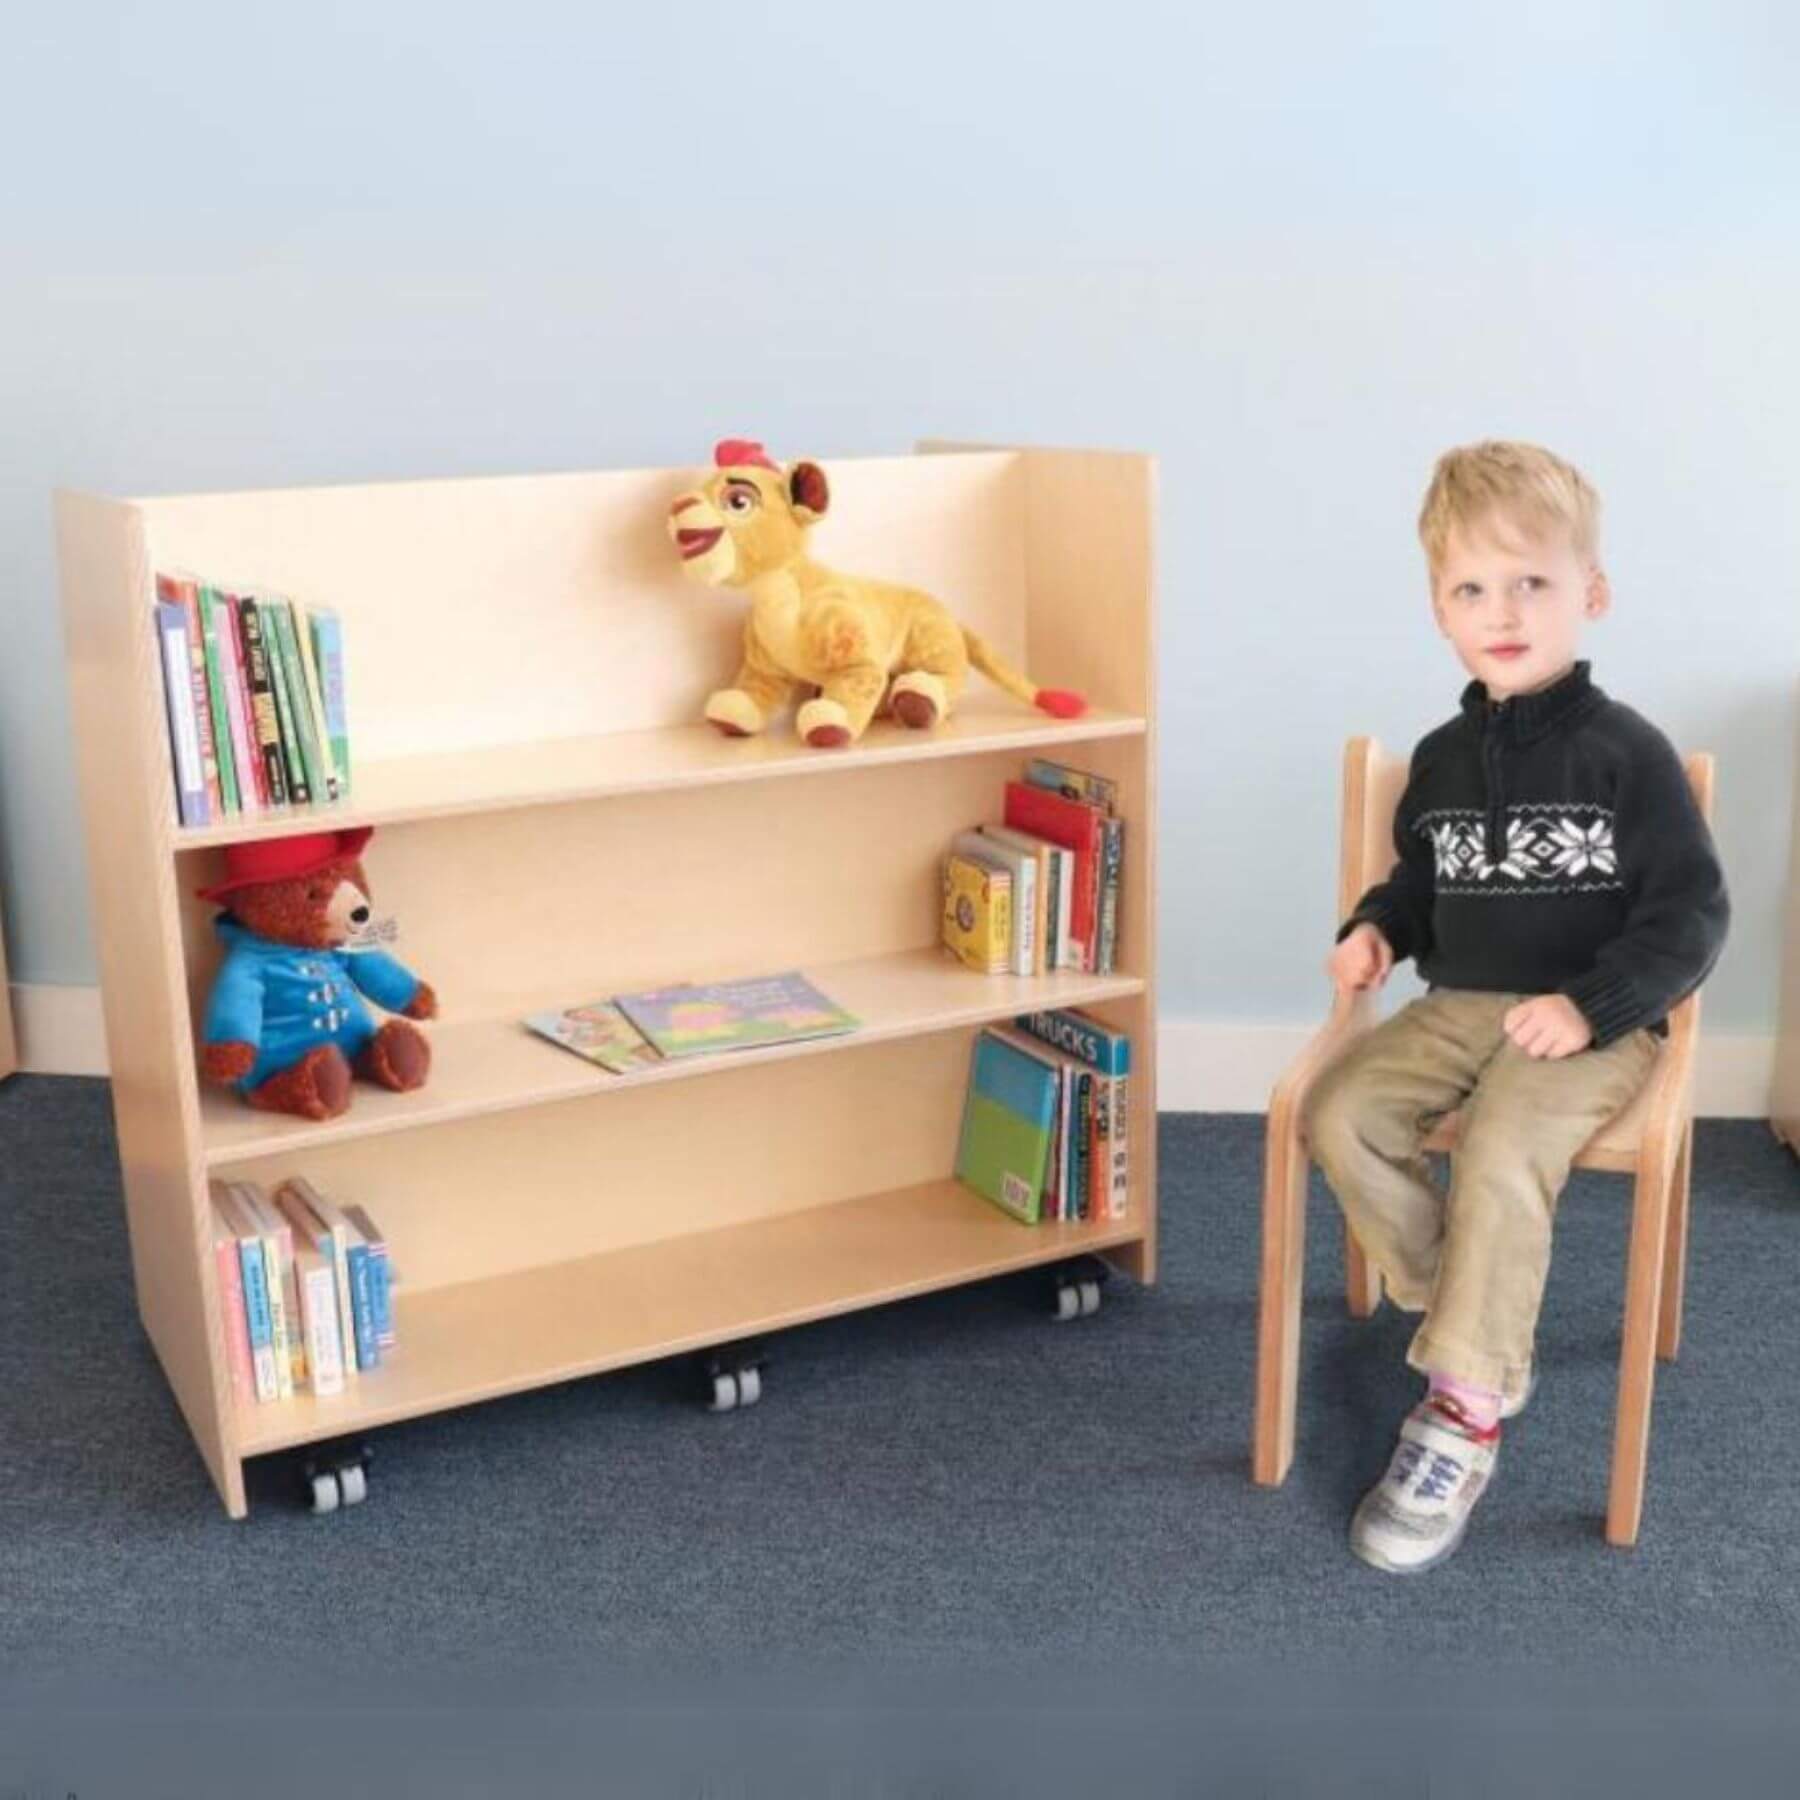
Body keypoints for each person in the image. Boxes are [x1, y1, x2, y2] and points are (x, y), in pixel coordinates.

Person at [1304, 440, 1729, 1574]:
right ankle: (1466, 1313)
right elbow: (1419, 885)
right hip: (1461, 1006)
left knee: (1499, 1149)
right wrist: (1379, 928)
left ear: (1590, 594)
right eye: (1472, 588)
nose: (1503, 611)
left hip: (1592, 1021)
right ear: (1438, 607)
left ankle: (1463, 1408)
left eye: (1532, 583)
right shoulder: (1442, 761)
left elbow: (1692, 916)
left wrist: (1591, 1007)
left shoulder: (1625, 754)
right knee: (1339, 1112)